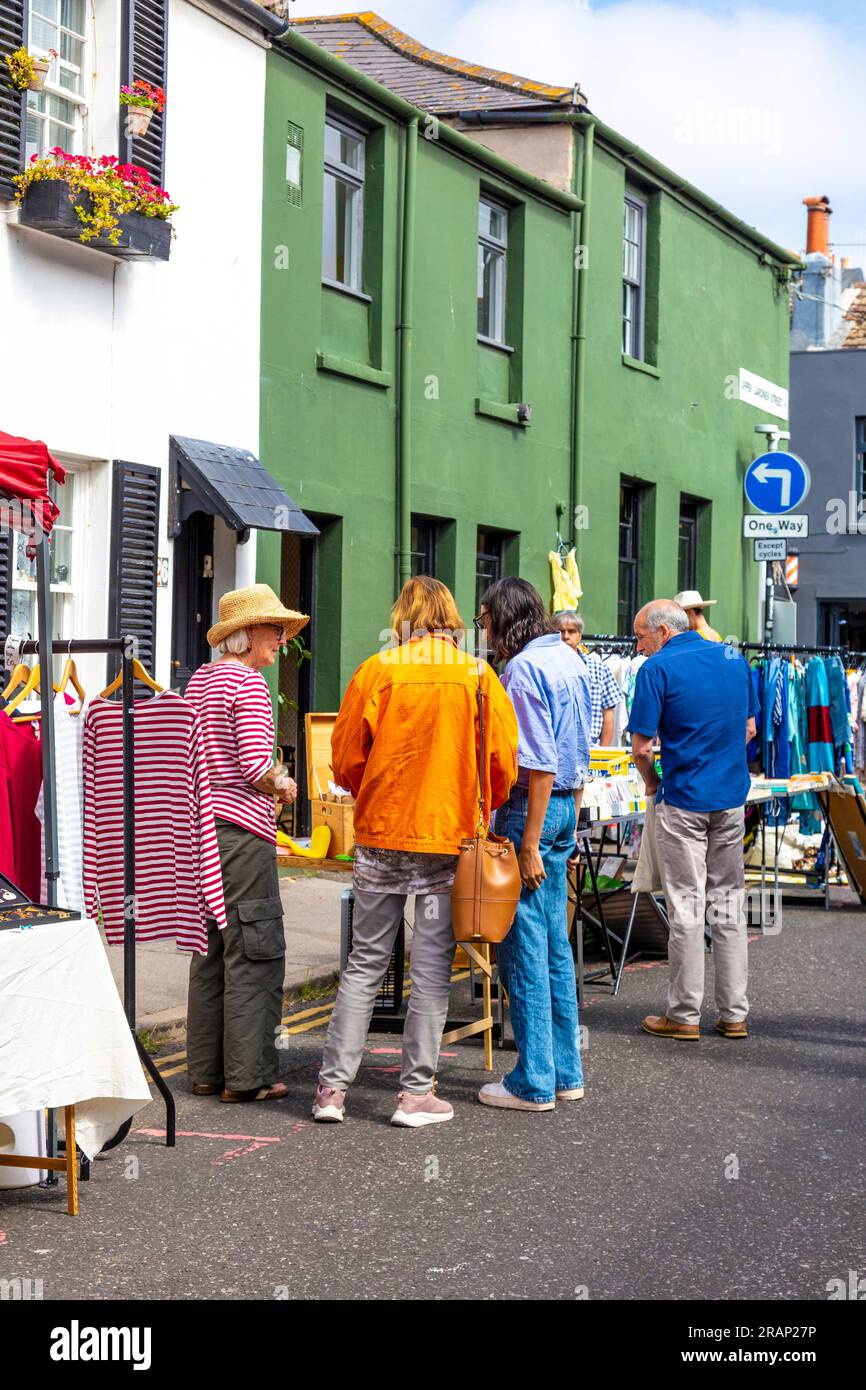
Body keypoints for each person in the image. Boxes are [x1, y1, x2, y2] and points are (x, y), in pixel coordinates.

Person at [312, 576, 518, 1128]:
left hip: (383, 833)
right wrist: (481, 803)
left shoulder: (378, 669)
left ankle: (331, 1092)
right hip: (448, 836)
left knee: (365, 964)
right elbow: (502, 762)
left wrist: (374, 792)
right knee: (430, 971)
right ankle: (415, 1095)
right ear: (450, 618)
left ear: (402, 615)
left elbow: (346, 757)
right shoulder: (477, 675)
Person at [185, 583, 308, 1102]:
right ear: (248, 633)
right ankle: (249, 1076)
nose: (280, 639)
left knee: (210, 951)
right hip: (241, 836)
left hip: (200, 833)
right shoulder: (250, 687)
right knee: (254, 951)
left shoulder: (198, 682)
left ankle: (206, 1070)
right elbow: (257, 767)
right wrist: (286, 783)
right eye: (273, 629)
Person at [476, 579, 592, 1112]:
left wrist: (527, 843)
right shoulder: (571, 658)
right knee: (554, 945)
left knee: (522, 949)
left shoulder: (522, 669)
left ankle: (533, 1082)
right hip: (567, 807)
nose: (484, 631)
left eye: (485, 621)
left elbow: (538, 762)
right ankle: (566, 1071)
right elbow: (577, 753)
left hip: (533, 811)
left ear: (504, 619)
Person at [629, 600, 758, 1041]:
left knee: (686, 906)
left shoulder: (656, 669)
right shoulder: (733, 659)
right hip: (729, 798)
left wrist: (651, 784)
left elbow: (642, 749)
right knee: (728, 904)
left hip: (683, 799)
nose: (638, 646)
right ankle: (734, 1013)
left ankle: (684, 1014)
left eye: (641, 636)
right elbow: (749, 729)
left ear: (663, 631)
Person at [553, 609, 624, 745]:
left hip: (591, 748)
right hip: (556, 749)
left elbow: (608, 712)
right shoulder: (546, 667)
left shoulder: (598, 667)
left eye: (571, 631)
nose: (565, 636)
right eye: (560, 631)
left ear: (579, 635)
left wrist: (603, 751)